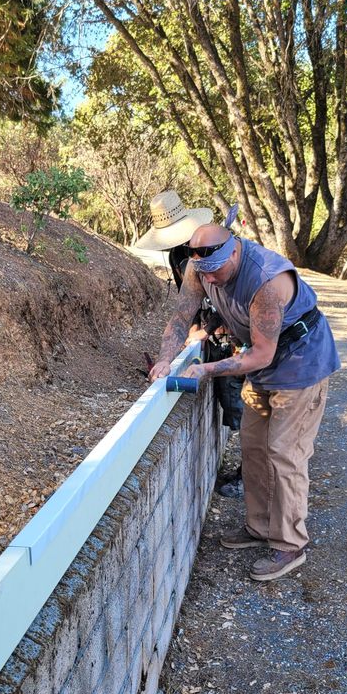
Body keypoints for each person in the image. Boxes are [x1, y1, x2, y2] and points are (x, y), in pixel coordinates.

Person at [150, 222, 340, 582]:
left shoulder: (268, 280)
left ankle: (290, 543)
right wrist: (165, 358)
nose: (213, 280)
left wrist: (206, 369)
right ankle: (260, 527)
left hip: (301, 363)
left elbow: (261, 355)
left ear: (234, 251)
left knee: (285, 453)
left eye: (218, 272)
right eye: (205, 274)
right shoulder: (202, 266)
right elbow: (180, 318)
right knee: (254, 447)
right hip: (264, 365)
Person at [135, 191, 245, 485]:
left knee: (242, 406)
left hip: (236, 339)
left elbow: (230, 299)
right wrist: (168, 355)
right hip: (212, 339)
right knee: (231, 403)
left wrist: (205, 331)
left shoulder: (213, 250)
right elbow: (185, 309)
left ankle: (247, 475)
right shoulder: (178, 256)